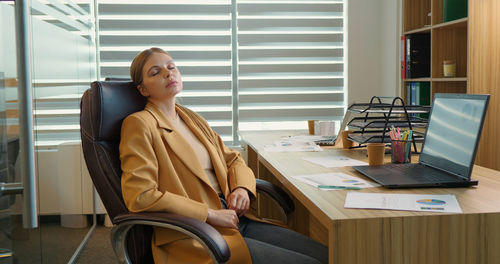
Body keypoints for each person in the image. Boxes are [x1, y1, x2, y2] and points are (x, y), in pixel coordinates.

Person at [120, 47, 328, 264]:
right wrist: (208, 214)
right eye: (156, 72)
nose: (168, 73)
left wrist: (241, 188)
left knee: (330, 255)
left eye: (171, 67)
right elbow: (140, 195)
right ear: (143, 89)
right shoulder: (139, 124)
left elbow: (233, 158)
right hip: (196, 233)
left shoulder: (191, 118)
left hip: (235, 219)